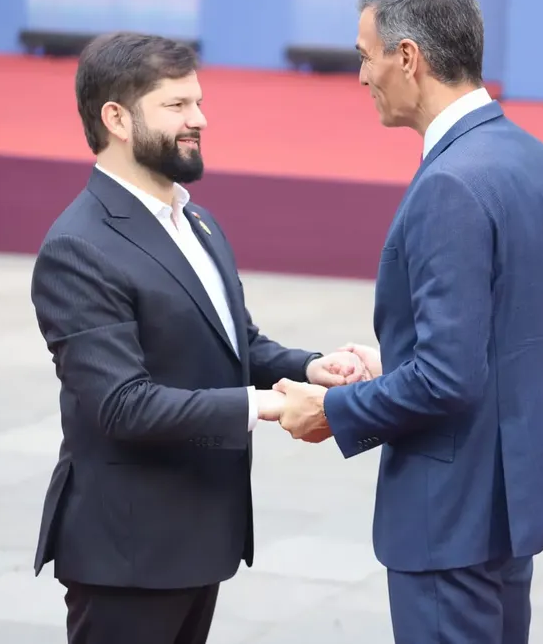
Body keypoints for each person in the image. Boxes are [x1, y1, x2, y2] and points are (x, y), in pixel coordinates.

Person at [28, 32, 363, 644]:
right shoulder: (78, 247)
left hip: (196, 541)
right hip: (127, 556)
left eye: (199, 103)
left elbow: (236, 343)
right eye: (177, 106)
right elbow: (120, 404)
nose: (200, 120)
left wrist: (311, 368)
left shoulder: (195, 219)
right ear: (116, 118)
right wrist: (265, 405)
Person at [271, 0, 543, 642]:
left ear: (408, 57)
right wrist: (399, 361)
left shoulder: (449, 183)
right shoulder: (533, 158)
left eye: (366, 54)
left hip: (448, 519)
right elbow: (542, 335)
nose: (360, 76)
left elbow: (448, 377)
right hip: (505, 509)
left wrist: (332, 412)